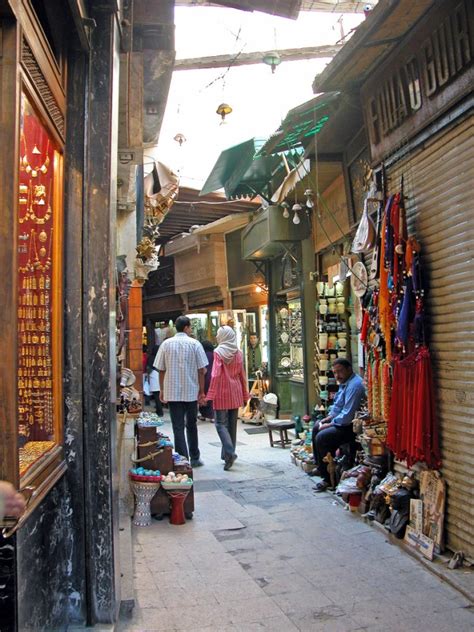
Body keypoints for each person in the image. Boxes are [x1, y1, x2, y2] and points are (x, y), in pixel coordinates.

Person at [155, 315, 208, 467]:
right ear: (186, 328)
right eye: (190, 327)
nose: (191, 330)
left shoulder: (166, 345)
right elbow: (201, 370)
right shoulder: (195, 344)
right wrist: (202, 391)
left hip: (172, 392)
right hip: (191, 391)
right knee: (191, 424)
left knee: (177, 426)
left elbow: (161, 370)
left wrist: (162, 390)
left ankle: (182, 459)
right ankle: (195, 457)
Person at [312, 358, 366, 492]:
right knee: (316, 426)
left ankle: (328, 479)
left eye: (340, 372)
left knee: (322, 437)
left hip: (351, 427)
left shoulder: (355, 385)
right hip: (343, 421)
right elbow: (338, 408)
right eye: (335, 372)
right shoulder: (345, 383)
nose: (337, 376)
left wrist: (330, 424)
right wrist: (327, 419)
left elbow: (347, 416)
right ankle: (321, 467)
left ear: (349, 369)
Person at [207, 326, 249, 471]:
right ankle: (227, 456)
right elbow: (242, 375)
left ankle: (230, 453)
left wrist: (210, 394)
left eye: (219, 334)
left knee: (220, 424)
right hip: (235, 391)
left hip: (221, 392)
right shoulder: (239, 353)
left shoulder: (218, 352)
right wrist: (245, 394)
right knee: (232, 425)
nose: (217, 337)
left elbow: (215, 374)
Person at [199, 340, 215, 422]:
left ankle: (203, 414)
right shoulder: (214, 355)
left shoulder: (203, 355)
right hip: (213, 377)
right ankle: (212, 415)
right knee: (211, 396)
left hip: (204, 377)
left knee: (203, 394)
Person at [146, 344, 163, 418]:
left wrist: (147, 377)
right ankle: (160, 409)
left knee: (156, 395)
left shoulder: (151, 358)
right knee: (159, 394)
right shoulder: (161, 357)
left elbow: (149, 368)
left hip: (154, 376)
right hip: (161, 376)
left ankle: (159, 411)